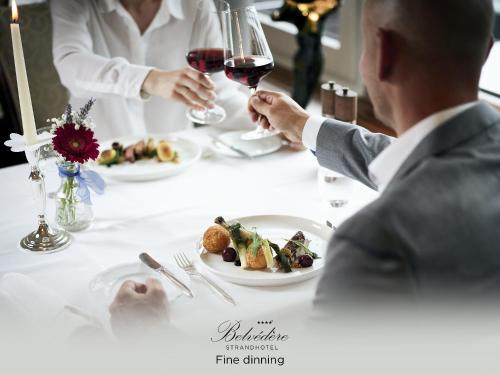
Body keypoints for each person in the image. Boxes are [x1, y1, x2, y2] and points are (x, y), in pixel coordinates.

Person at [247, 0, 500, 308]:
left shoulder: (377, 243)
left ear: (384, 54)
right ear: (486, 50)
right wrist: (302, 125)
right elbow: (418, 157)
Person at [50, 0, 253, 141]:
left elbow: (218, 95)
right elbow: (70, 65)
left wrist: (269, 123)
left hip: (173, 155)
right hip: (95, 156)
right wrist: (149, 79)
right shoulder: (73, 3)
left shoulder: (197, 5)